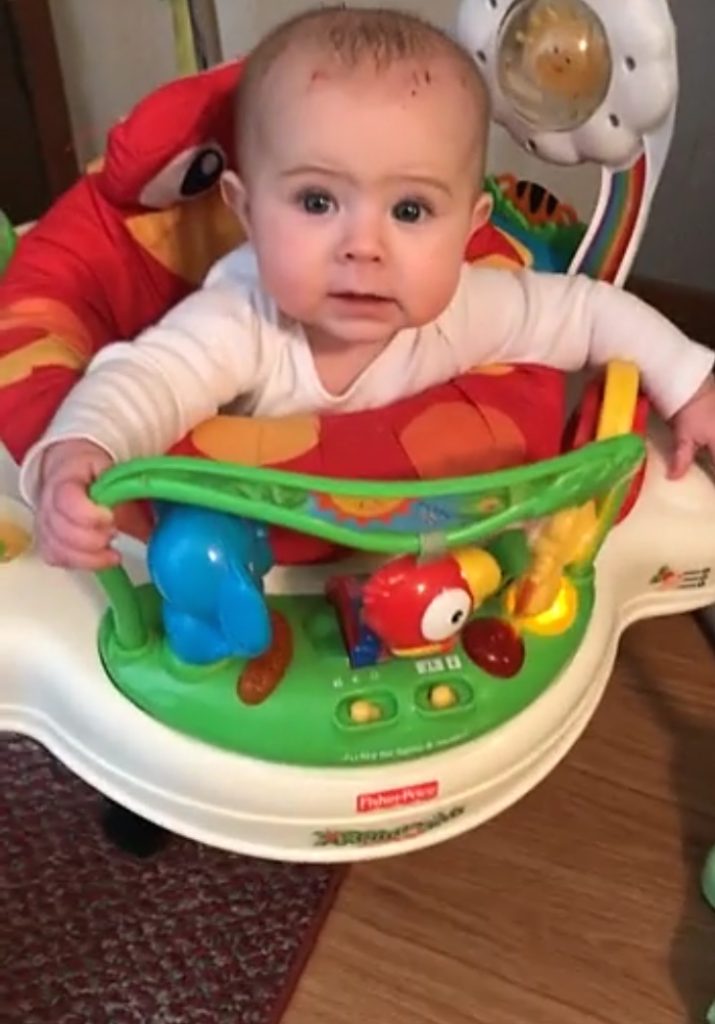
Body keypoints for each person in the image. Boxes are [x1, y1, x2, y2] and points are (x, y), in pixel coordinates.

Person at [20, 4, 715, 571]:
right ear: (246, 213)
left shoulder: (467, 306)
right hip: (263, 570)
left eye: (410, 211)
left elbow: (588, 313)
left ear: (468, 227)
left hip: (412, 558)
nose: (363, 246)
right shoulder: (241, 316)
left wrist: (687, 382)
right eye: (317, 202)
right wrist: (81, 452)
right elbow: (149, 379)